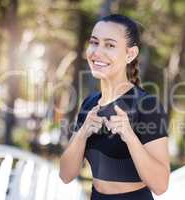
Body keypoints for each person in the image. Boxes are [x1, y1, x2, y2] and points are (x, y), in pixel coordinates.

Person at [59, 14, 170, 200]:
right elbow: (65, 175)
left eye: (109, 45)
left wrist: (129, 135)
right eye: (94, 42)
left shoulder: (147, 105)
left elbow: (161, 186)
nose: (97, 52)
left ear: (130, 54)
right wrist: (83, 132)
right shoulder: (89, 105)